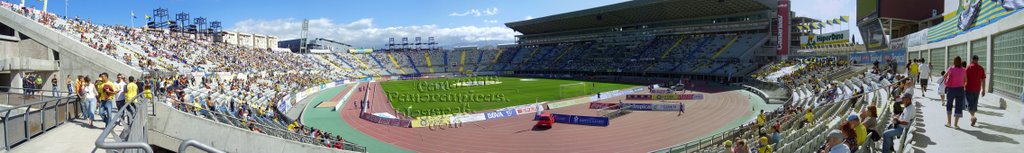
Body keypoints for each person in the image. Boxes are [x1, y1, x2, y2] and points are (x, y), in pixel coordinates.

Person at [943, 57, 967, 129]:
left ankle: (949, 123)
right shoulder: (963, 70)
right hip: (960, 89)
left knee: (949, 105)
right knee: (958, 106)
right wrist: (962, 85)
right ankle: (956, 124)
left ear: (954, 61)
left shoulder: (951, 68)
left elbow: (944, 76)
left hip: (951, 89)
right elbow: (966, 80)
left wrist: (947, 81)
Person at [965, 55, 986, 127]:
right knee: (974, 103)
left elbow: (964, 78)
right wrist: (984, 90)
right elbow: (983, 80)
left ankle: (972, 117)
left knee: (969, 103)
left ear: (972, 59)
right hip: (977, 89)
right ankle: (973, 116)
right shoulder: (981, 68)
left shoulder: (968, 67)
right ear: (977, 60)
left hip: (969, 88)